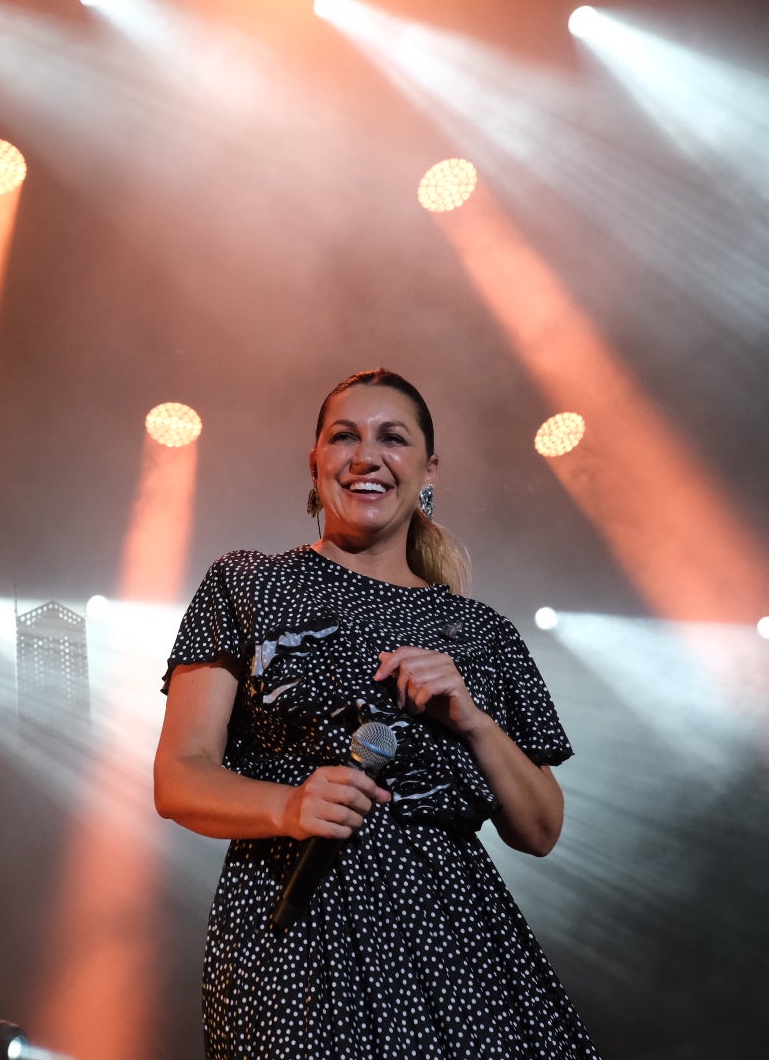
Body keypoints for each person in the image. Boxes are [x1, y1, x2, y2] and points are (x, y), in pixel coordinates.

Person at [153, 368, 601, 1059]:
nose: (366, 457)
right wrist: (289, 807)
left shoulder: (481, 632)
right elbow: (179, 778)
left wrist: (474, 721)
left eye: (393, 439)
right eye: (344, 437)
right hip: (298, 932)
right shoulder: (246, 583)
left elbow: (540, 829)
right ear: (316, 462)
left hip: (458, 945)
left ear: (428, 469)